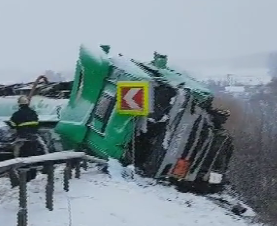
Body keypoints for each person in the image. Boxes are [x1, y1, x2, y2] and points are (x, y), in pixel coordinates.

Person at [8, 95, 47, 182]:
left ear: (19, 104)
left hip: (22, 139)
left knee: (21, 158)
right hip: (34, 139)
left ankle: (24, 178)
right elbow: (37, 124)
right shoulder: (33, 113)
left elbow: (12, 124)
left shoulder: (17, 114)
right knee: (33, 157)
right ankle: (33, 176)